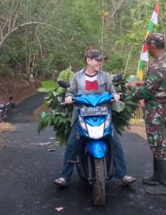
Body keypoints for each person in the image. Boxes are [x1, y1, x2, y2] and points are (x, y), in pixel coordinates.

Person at [54, 49, 136, 187]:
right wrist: (68, 97)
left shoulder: (105, 77)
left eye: (101, 60)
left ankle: (123, 174)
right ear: (88, 60)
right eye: (97, 60)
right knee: (72, 144)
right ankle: (64, 176)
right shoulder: (77, 77)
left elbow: (112, 91)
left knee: (115, 141)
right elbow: (70, 92)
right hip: (82, 114)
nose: (100, 63)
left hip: (103, 114)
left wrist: (115, 96)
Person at [126, 33, 166, 195]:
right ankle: (157, 177)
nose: (146, 47)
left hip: (157, 112)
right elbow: (160, 82)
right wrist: (143, 82)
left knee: (159, 145)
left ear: (152, 46)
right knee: (157, 143)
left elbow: (145, 93)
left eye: (147, 44)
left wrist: (131, 88)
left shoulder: (157, 66)